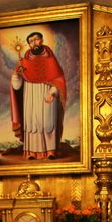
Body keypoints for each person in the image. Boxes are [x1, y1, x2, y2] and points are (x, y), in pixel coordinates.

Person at [10, 31, 66, 160]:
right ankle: (31, 152)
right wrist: (16, 73)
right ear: (29, 45)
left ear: (42, 40)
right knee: (32, 123)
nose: (34, 43)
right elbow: (17, 86)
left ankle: (50, 151)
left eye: (36, 39)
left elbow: (58, 79)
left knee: (48, 121)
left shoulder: (51, 59)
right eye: (31, 41)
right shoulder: (23, 62)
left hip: (47, 94)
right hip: (30, 96)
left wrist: (53, 92)